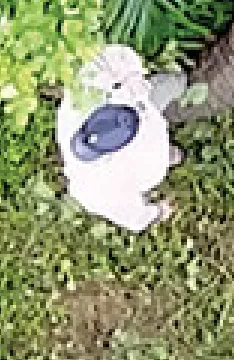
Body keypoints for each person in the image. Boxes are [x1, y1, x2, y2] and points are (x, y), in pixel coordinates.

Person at [56, 46, 187, 232]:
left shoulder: (76, 105)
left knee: (176, 82)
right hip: (150, 162)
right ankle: (171, 155)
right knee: (171, 155)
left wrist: (132, 74)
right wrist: (158, 211)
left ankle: (170, 151)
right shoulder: (101, 193)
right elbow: (136, 219)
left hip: (138, 99)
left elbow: (108, 56)